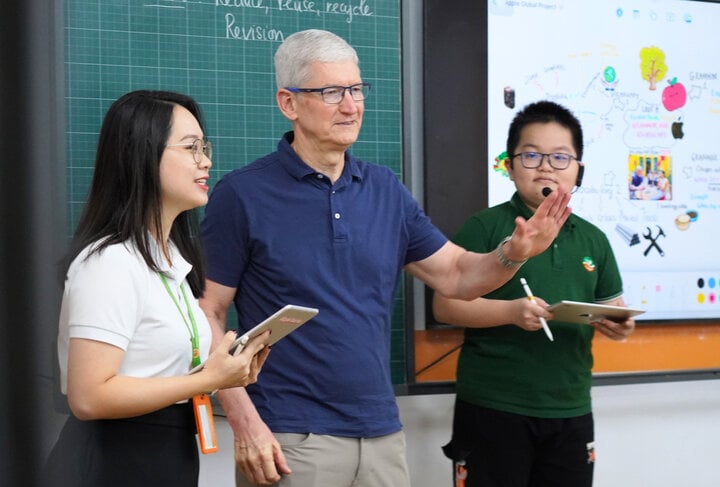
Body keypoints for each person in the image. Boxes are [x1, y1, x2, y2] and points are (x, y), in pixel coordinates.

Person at [199, 30, 571, 487]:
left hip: (381, 432)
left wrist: (512, 255)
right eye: (331, 92)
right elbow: (208, 312)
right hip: (289, 434)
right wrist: (244, 420)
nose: (352, 106)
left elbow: (456, 275)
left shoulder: (384, 189)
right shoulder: (242, 194)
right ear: (289, 103)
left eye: (356, 90)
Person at [42, 90, 271, 487]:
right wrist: (208, 379)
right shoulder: (110, 261)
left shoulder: (168, 262)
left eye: (205, 147)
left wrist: (229, 371)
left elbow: (156, 373)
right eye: (191, 148)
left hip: (164, 456)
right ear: (142, 156)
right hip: (111, 463)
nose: (206, 161)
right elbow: (88, 396)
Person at [433, 100, 636, 487]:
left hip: (571, 407)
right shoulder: (485, 227)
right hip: (494, 406)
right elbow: (445, 306)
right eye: (531, 155)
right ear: (508, 166)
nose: (546, 167)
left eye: (560, 157)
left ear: (579, 171)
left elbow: (611, 308)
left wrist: (619, 325)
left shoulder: (594, 239)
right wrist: (511, 312)